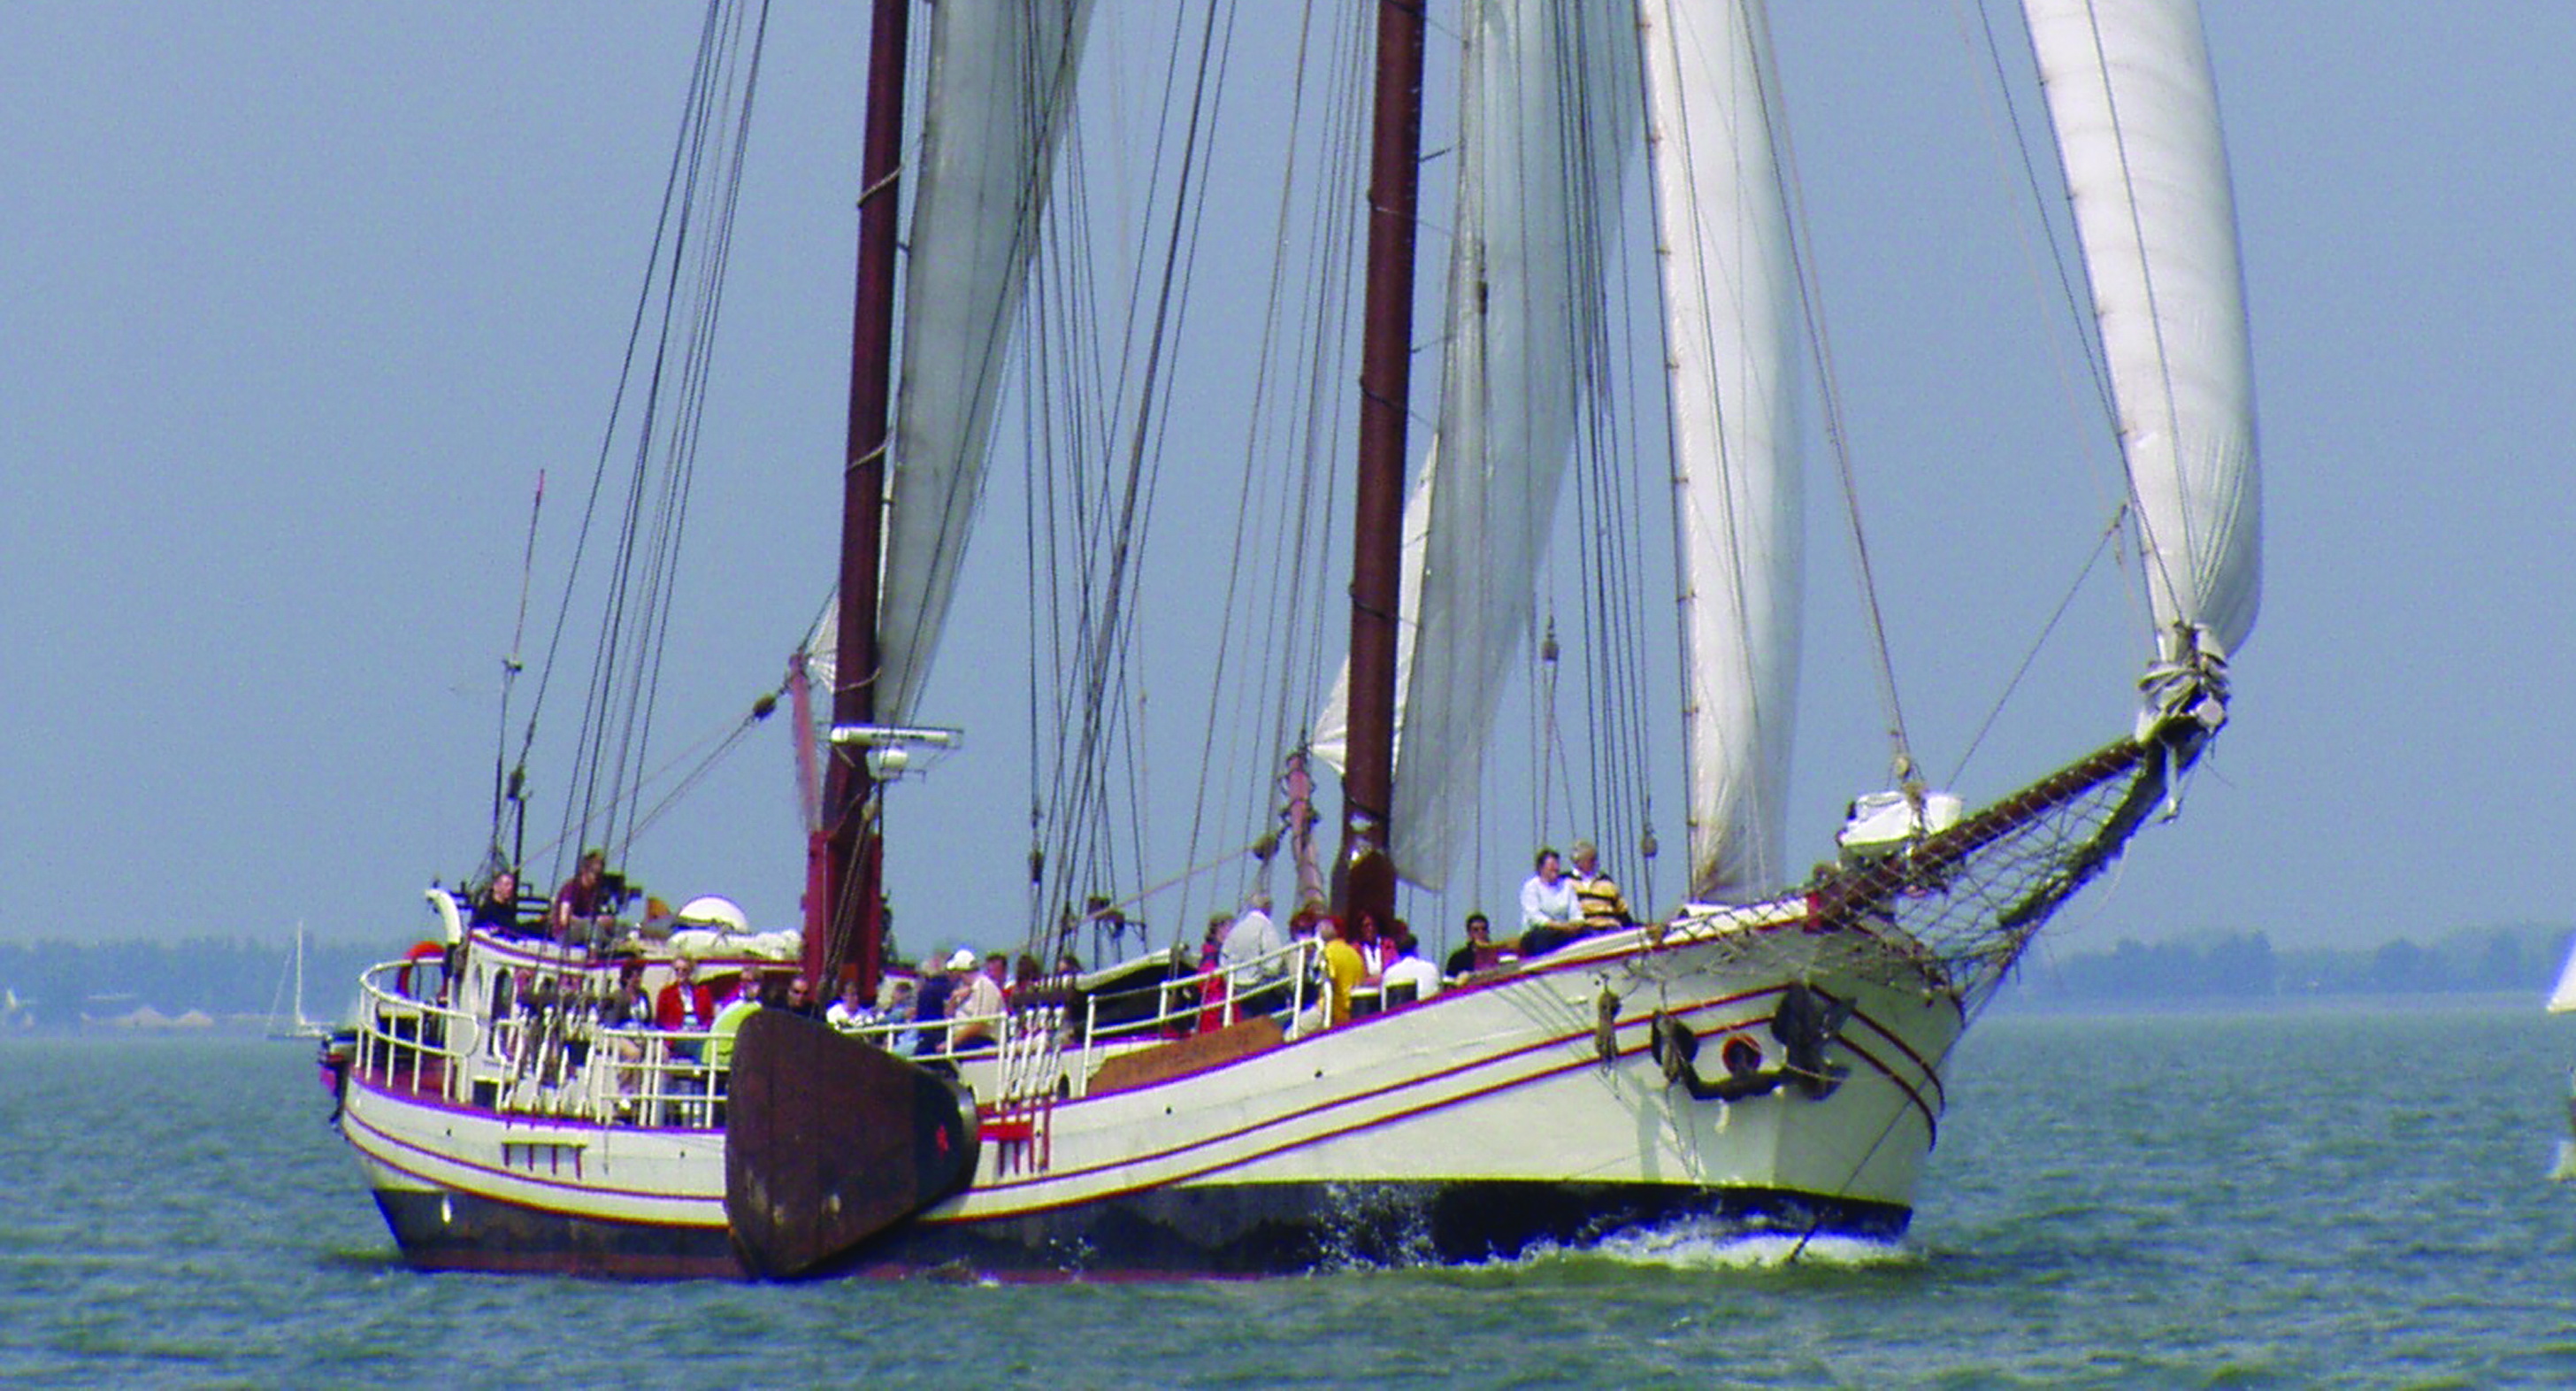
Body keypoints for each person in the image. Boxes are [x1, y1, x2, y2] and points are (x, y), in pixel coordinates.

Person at [1518, 848, 1581, 955]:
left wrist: (1577, 924)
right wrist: (1559, 926)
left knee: (1585, 934)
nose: (1556, 868)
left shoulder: (1567, 885)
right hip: (1538, 933)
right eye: (1551, 866)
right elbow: (1535, 917)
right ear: (1541, 868)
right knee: (1544, 935)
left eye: (1557, 865)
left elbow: (1575, 911)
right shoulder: (1531, 887)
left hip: (1564, 930)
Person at [549, 849, 617, 948]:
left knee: (619, 926)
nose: (597, 877)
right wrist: (592, 921)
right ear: (585, 870)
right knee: (592, 927)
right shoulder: (571, 887)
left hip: (586, 933)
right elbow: (565, 919)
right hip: (565, 935)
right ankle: (596, 953)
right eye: (594, 873)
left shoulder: (595, 891)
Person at [1568, 840, 1633, 932]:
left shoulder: (1606, 881)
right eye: (1591, 860)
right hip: (1583, 929)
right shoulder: (1566, 882)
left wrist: (1630, 928)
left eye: (1595, 859)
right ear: (1578, 861)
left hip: (1610, 927)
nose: (1595, 863)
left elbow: (1622, 910)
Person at [951, 952, 1008, 1049]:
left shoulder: (984, 986)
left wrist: (951, 1043)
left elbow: (981, 1023)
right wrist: (953, 999)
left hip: (981, 1042)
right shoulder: (964, 988)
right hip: (964, 1040)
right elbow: (949, 1014)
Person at [654, 956, 716, 1033]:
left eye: (684, 970)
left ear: (690, 971)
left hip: (699, 1035)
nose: (680, 973)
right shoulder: (666, 994)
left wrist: (701, 1028)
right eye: (677, 970)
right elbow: (660, 1022)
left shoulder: (702, 992)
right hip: (675, 1037)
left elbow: (709, 1019)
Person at [1379, 930, 1439, 1004]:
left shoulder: (1389, 973)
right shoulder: (1431, 968)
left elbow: (1384, 1004)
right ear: (1416, 950)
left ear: (1397, 952)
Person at [1445, 912, 1501, 979]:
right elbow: (1449, 983)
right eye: (1476, 930)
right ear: (1469, 933)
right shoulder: (1458, 959)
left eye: (1484, 929)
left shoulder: (1498, 955)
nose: (1480, 933)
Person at [470, 869, 524, 935]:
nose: (510, 888)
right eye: (506, 885)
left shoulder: (508, 911)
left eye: (512, 885)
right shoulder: (487, 911)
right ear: (495, 887)